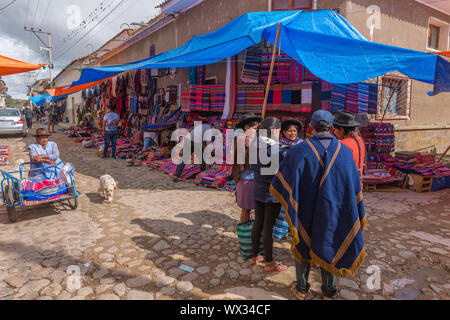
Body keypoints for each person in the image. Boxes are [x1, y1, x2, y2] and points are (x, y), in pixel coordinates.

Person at [270, 110, 366, 300]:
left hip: (305, 209)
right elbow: (353, 186)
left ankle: (302, 289)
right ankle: (329, 292)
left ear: (311, 127)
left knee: (302, 245)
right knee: (330, 243)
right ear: (331, 128)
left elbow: (283, 179)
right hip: (334, 211)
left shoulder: (299, 150)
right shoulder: (345, 153)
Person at [249, 117, 287, 272]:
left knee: (258, 222)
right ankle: (270, 262)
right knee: (268, 227)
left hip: (258, 188)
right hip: (271, 193)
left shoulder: (255, 144)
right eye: (279, 130)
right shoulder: (275, 149)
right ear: (274, 130)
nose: (280, 133)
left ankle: (255, 255)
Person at [232, 113, 261, 223]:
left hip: (257, 179)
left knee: (259, 210)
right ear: (246, 127)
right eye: (255, 128)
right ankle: (244, 233)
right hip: (246, 179)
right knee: (246, 209)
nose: (256, 131)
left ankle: (256, 232)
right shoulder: (240, 140)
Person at [333, 111, 366, 187]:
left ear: (341, 129)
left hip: (347, 187)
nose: (334, 132)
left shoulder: (342, 144)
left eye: (335, 129)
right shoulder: (360, 140)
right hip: (358, 185)